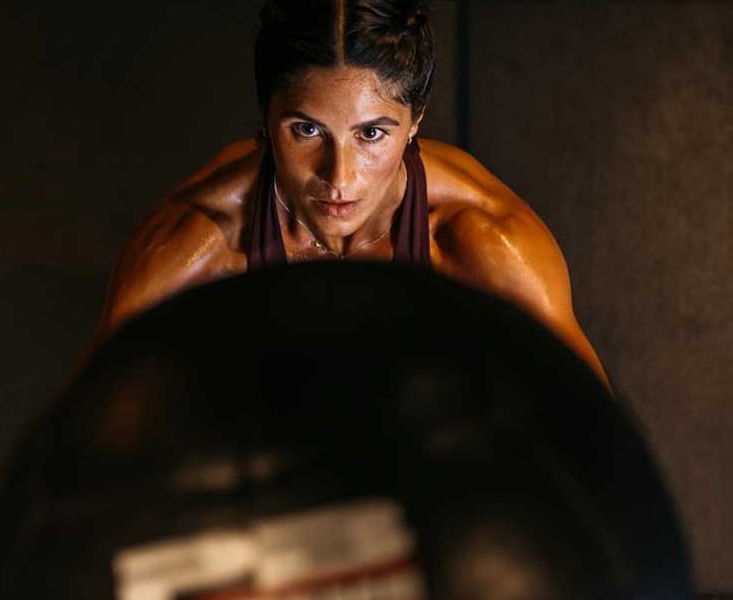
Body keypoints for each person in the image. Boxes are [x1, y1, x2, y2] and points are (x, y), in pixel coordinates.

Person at [94, 0, 610, 388]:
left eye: (371, 134)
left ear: (415, 123)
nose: (338, 178)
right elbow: (76, 456)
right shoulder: (192, 249)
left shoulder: (486, 242)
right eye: (307, 131)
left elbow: (597, 446)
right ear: (267, 118)